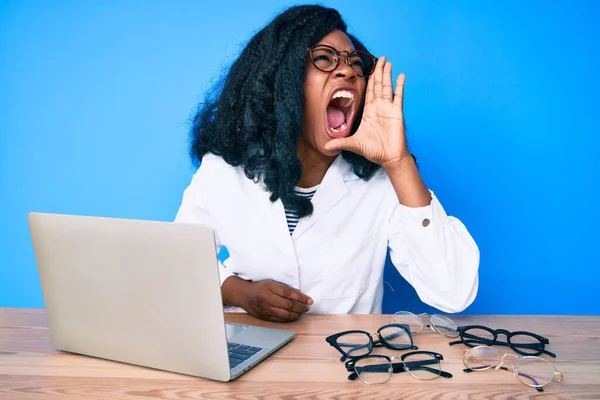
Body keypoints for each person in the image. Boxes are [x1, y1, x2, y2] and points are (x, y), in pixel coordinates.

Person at [175, 5, 479, 322]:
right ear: (284, 81)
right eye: (324, 59)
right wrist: (239, 292)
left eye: (355, 64)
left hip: (347, 360)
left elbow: (454, 293)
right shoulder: (223, 171)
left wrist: (399, 163)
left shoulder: (383, 182)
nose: (347, 71)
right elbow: (176, 265)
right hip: (250, 351)